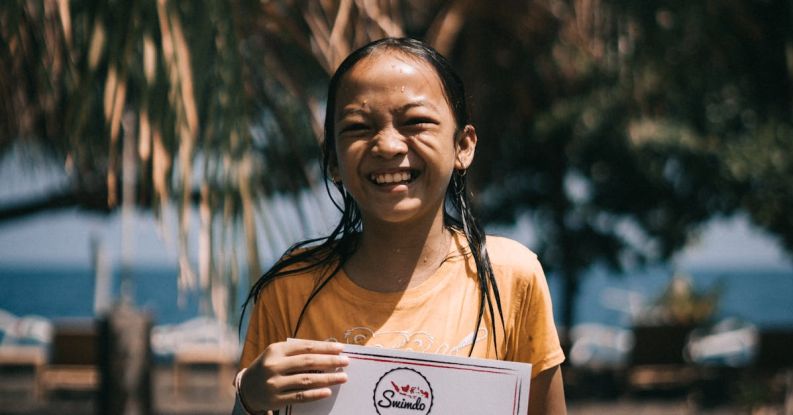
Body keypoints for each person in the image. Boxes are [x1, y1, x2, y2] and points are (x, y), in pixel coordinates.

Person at [234, 37, 566, 415]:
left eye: (416, 122)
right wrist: (249, 399)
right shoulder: (290, 289)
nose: (388, 145)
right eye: (359, 127)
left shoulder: (510, 277)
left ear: (463, 145)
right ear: (332, 160)